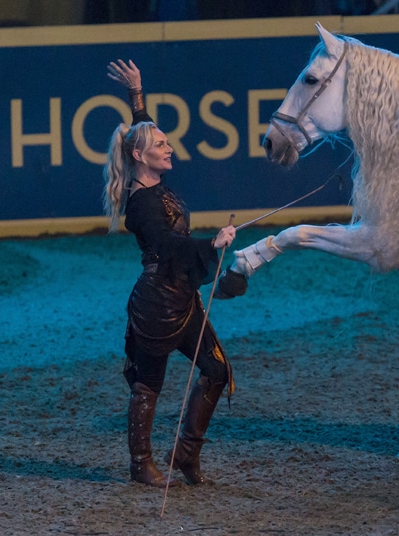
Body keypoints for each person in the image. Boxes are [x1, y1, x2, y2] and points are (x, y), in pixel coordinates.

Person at [103, 59, 247, 488]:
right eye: (160, 145)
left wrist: (136, 95)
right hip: (156, 305)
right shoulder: (141, 204)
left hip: (181, 296)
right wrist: (211, 245)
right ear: (139, 157)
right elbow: (168, 247)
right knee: (149, 383)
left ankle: (184, 455)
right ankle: (141, 464)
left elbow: (141, 129)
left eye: (166, 141)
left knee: (217, 371)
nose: (169, 148)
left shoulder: (146, 169)